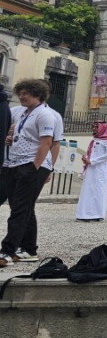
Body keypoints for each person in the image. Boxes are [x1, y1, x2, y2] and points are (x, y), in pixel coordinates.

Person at [0, 79, 55, 266]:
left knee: (20, 208)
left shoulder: (44, 114)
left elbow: (46, 142)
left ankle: (7, 251)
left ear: (37, 94)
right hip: (15, 163)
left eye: (25, 93)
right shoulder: (24, 113)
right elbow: (27, 137)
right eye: (20, 93)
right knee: (23, 207)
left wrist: (34, 168)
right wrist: (11, 140)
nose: (21, 97)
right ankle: (29, 249)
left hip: (32, 164)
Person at [75, 121, 107, 221]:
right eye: (93, 127)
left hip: (100, 171)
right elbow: (91, 153)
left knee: (98, 191)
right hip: (91, 170)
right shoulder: (94, 140)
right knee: (87, 190)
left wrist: (92, 161)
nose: (94, 129)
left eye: (96, 127)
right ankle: (84, 214)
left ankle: (97, 214)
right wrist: (86, 160)